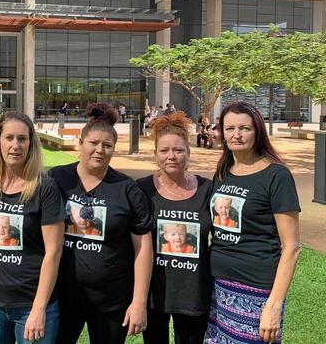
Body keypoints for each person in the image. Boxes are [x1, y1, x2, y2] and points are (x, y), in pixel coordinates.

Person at [49, 103, 153, 344]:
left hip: (112, 300)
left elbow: (143, 248)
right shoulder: (56, 179)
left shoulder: (127, 189)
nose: (99, 150)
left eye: (107, 145)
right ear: (80, 144)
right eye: (93, 143)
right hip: (63, 296)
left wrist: (138, 302)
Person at [205, 101, 300, 344]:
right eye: (230, 128)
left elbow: (291, 247)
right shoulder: (223, 171)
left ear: (258, 131)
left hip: (256, 291)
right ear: (222, 133)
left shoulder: (277, 176)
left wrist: (273, 305)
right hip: (217, 287)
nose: (236, 135)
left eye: (245, 128)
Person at [0, 111, 65, 344]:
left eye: (22, 139)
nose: (15, 145)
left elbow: (53, 252)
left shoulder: (45, 187)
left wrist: (39, 308)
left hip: (30, 304)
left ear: (30, 144)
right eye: (9, 138)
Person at [136, 112, 213, 344]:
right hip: (154, 295)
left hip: (193, 294)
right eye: (165, 151)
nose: (172, 156)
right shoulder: (141, 190)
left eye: (178, 150)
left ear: (188, 153)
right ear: (155, 155)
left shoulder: (207, 189)